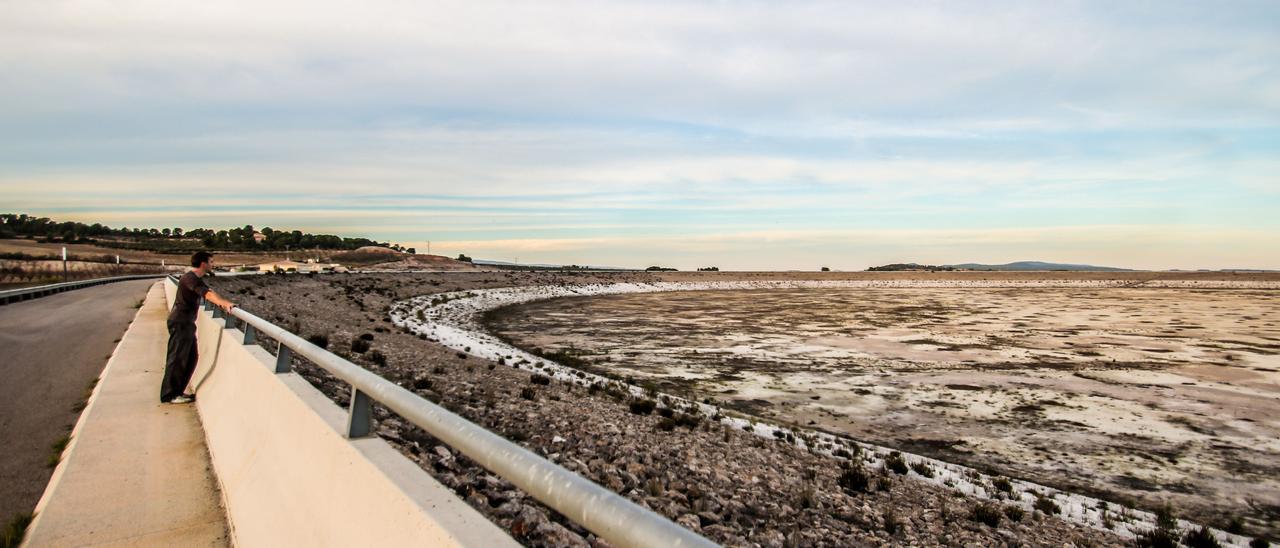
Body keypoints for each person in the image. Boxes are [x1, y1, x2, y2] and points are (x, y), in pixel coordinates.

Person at [162, 251, 236, 404]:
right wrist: (224, 303)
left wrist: (222, 301)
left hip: (187, 323)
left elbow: (209, 292)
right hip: (180, 322)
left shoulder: (195, 279)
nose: (213, 264)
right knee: (177, 358)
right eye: (211, 262)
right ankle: (170, 395)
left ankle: (178, 392)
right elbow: (207, 295)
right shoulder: (190, 278)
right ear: (203, 263)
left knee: (191, 358)